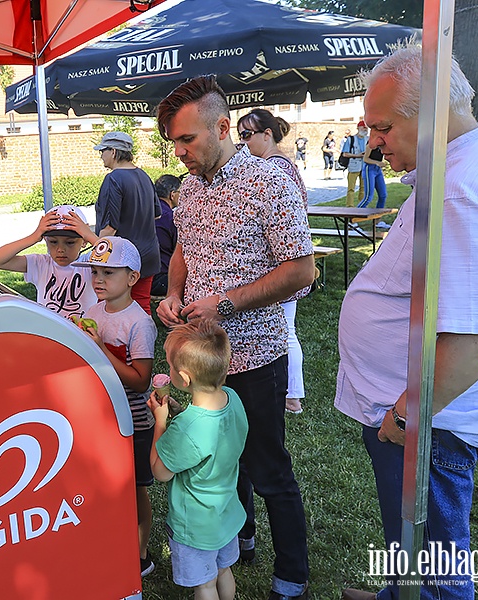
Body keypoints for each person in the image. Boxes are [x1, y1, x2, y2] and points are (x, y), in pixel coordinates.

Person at [336, 42, 478, 600]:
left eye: (384, 127)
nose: (372, 142)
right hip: (423, 410)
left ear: (436, 112)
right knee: (411, 545)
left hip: (429, 420)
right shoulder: (463, 165)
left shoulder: (463, 188)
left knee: (436, 565)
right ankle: (398, 593)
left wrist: (404, 416)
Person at [155, 75, 316, 600]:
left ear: (223, 127)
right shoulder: (192, 189)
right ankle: (237, 538)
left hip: (254, 355)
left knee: (267, 466)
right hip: (203, 357)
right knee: (220, 460)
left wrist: (225, 303)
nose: (179, 153)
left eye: (187, 140)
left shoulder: (270, 181)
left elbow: (302, 271)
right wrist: (174, 291)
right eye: (174, 143)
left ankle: (291, 575)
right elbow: (184, 248)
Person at [73, 236, 158, 577]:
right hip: (101, 415)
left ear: (133, 278)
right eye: (94, 271)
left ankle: (141, 555)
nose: (98, 280)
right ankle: (110, 539)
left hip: (134, 421)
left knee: (135, 489)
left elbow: (140, 380)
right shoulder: (94, 312)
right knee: (108, 484)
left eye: (108, 273)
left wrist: (100, 349)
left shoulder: (139, 323)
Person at [148, 319, 248, 600]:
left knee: (204, 585)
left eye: (170, 367)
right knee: (224, 571)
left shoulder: (187, 428)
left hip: (195, 525)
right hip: (226, 514)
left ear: (185, 378)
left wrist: (160, 423)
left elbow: (160, 471)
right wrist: (178, 415)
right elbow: (204, 439)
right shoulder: (232, 398)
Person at [235, 108, 309, 415]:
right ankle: (292, 393)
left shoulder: (274, 167)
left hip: (281, 264)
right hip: (282, 261)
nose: (242, 142)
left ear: (268, 134)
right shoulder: (280, 164)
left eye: (247, 135)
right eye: (240, 136)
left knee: (285, 330)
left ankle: (292, 395)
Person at [0, 204, 97, 318]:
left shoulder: (91, 263)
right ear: (45, 239)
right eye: (53, 242)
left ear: (84, 241)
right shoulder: (40, 264)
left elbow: (115, 254)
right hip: (49, 333)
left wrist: (89, 234)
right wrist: (34, 236)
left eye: (70, 243)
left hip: (84, 333)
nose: (60, 249)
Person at [93, 131, 161, 315]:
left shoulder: (113, 179)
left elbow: (109, 228)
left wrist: (96, 257)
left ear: (113, 152)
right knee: (141, 307)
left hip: (121, 259)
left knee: (112, 310)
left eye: (103, 151)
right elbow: (156, 215)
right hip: (148, 254)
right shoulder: (144, 176)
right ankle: (144, 343)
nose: (101, 156)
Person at [151, 174, 181, 297]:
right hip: (163, 278)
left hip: (143, 275)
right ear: (172, 194)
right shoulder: (171, 218)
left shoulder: (146, 210)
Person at [341, 121, 369, 206]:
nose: (365, 129)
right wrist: (357, 155)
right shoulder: (351, 139)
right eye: (363, 127)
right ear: (358, 128)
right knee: (351, 188)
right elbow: (345, 153)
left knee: (363, 188)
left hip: (364, 166)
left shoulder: (368, 139)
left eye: (366, 128)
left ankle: (362, 206)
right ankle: (350, 206)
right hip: (353, 166)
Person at [358, 145, 388, 212]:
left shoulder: (383, 145)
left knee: (383, 195)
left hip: (378, 170)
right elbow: (365, 159)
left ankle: (377, 220)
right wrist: (377, 163)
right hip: (369, 169)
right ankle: (353, 218)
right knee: (368, 197)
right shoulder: (371, 145)